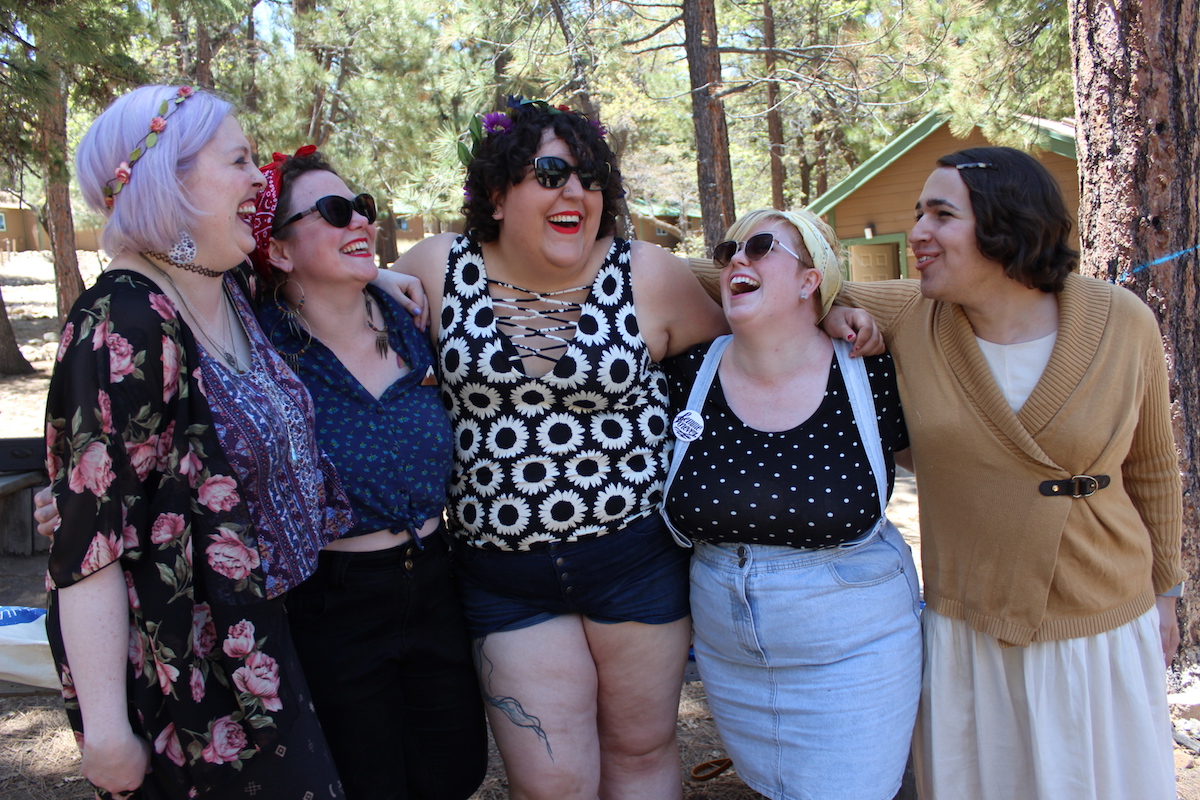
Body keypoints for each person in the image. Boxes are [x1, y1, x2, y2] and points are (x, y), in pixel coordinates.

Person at [391, 97, 727, 800]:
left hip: (636, 563)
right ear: (495, 191)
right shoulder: (432, 270)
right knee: (552, 784)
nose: (575, 191)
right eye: (549, 173)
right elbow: (339, 315)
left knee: (640, 751)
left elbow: (746, 351)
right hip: (502, 580)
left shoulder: (651, 275)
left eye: (590, 175)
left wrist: (841, 309)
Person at [836, 146, 1185, 800]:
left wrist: (1168, 589)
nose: (917, 233)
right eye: (917, 213)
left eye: (941, 215)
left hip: (1102, 625)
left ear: (1006, 224)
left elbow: (1154, 467)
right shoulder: (914, 315)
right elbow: (763, 279)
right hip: (973, 627)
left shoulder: (1121, 321)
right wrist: (825, 307)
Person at [44, 85, 354, 799]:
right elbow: (89, 546)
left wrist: (386, 276)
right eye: (239, 160)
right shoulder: (122, 324)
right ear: (169, 180)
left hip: (271, 634)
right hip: (193, 678)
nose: (258, 179)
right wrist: (107, 731)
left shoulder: (224, 279)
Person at [248, 146, 487, 800]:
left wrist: (376, 276)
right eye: (333, 211)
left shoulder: (412, 323)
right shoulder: (257, 344)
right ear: (279, 250)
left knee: (456, 769)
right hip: (334, 599)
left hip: (436, 577)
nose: (359, 219)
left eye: (363, 207)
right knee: (367, 781)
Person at [660, 208, 921, 800]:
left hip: (855, 644)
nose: (736, 262)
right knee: (772, 787)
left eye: (759, 246)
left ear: (812, 280)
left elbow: (945, 304)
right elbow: (644, 273)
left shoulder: (866, 368)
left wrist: (842, 304)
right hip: (729, 649)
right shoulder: (687, 368)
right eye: (727, 251)